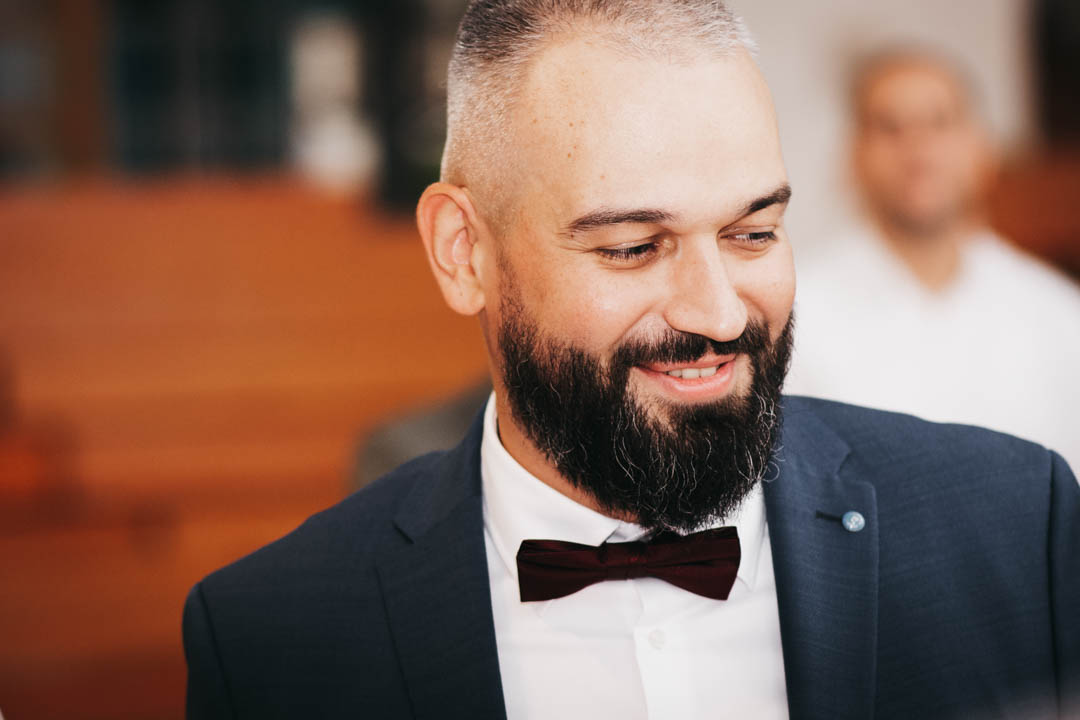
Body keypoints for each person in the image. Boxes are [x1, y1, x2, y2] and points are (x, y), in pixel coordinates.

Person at [182, 3, 1080, 719]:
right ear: (464, 252)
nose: (718, 313)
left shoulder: (1015, 531)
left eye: (753, 232)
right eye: (632, 248)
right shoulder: (273, 638)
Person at [785, 49, 1080, 472]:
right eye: (890, 126)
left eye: (940, 122)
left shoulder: (1059, 314)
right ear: (853, 155)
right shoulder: (795, 314)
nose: (917, 148)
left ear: (984, 148)